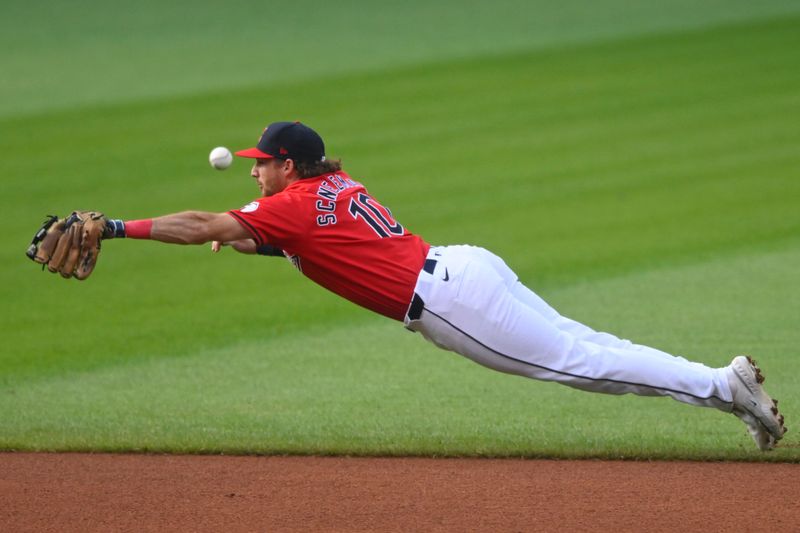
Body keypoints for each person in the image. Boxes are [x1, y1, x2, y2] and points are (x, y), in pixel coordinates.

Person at [102, 121, 786, 450]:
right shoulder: (327, 186)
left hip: (453, 303)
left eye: (261, 164)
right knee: (588, 343)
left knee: (584, 363)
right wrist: (246, 235)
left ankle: (724, 385)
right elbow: (308, 244)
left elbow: (199, 223)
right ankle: (729, 395)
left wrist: (113, 227)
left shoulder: (288, 205)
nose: (253, 172)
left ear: (288, 165)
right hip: (466, 266)